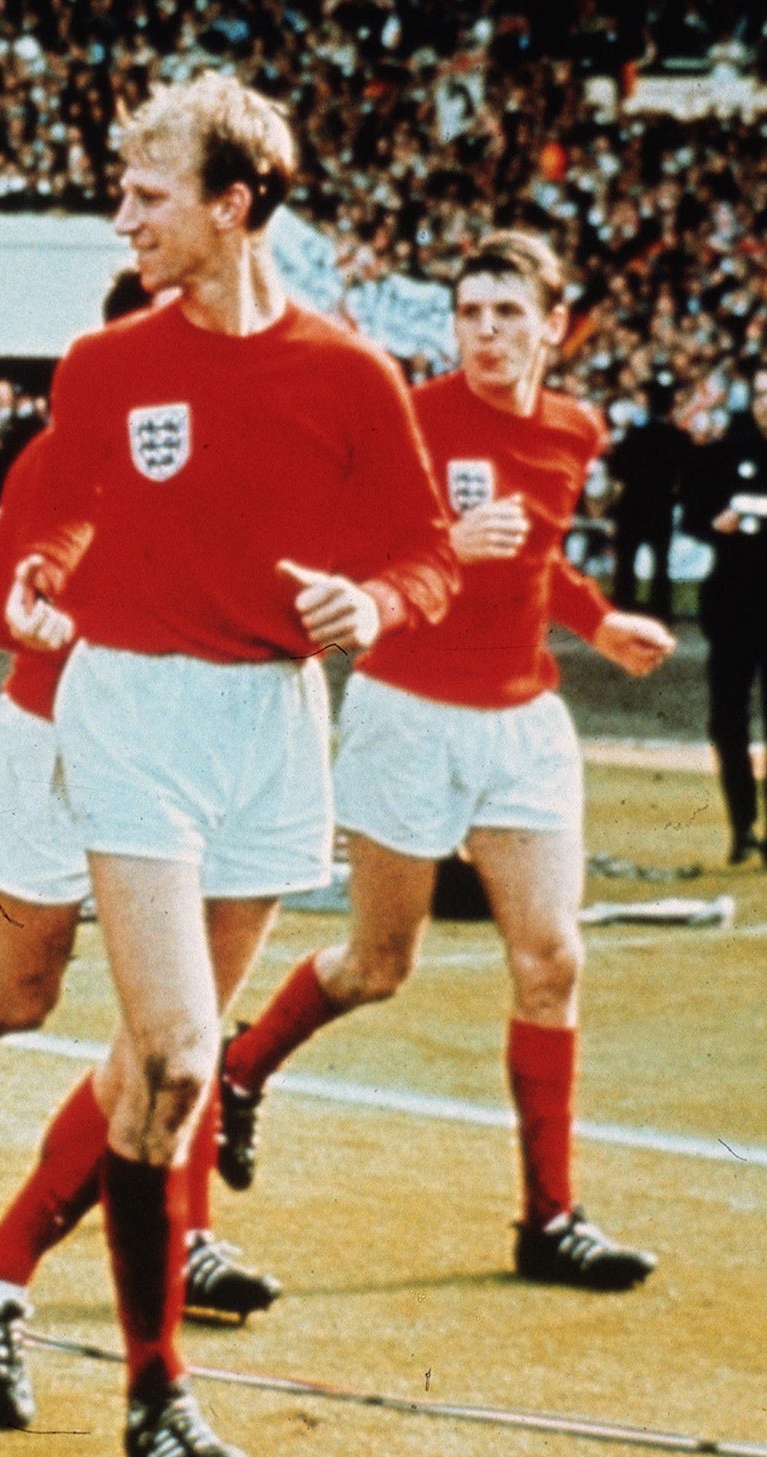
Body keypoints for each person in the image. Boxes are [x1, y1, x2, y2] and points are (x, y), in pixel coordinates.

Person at [0, 74, 458, 1457]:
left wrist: (377, 605)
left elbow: (424, 550)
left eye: (148, 196)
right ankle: (156, 1391)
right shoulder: (104, 369)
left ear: (235, 208)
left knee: (174, 1061)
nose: (125, 219)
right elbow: (43, 533)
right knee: (173, 1051)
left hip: (271, 722)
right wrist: (35, 591)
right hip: (130, 716)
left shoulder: (349, 376)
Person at [209, 232, 676, 1292]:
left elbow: (540, 549)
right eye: (469, 313)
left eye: (508, 315)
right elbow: (345, 544)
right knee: (377, 965)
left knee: (551, 958)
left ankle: (547, 1219)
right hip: (407, 711)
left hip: (520, 723)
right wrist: (436, 546)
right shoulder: (413, 417)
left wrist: (596, 624)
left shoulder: (573, 429)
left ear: (552, 327)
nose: (486, 334)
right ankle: (241, 1068)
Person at [0, 279, 284, 1320]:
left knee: (176, 1019)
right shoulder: (64, 451)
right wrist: (54, 618)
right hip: (43, 753)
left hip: (165, 759)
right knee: (22, 992)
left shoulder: (237, 452)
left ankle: (183, 1237)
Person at [681, 367, 767, 864]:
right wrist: (717, 524)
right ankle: (742, 827)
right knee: (728, 722)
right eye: (758, 394)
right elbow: (694, 510)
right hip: (734, 609)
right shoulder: (727, 451)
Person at [603, 374, 687, 620]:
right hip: (661, 502)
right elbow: (687, 471)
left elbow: (616, 468)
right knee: (661, 560)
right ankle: (661, 609)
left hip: (633, 501)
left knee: (626, 556)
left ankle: (623, 603)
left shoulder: (634, 435)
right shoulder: (677, 437)